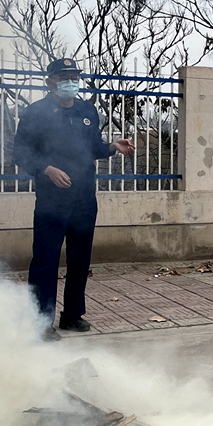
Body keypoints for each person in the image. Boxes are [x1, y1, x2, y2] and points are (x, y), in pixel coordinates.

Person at [13, 58, 135, 341]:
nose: (71, 82)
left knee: (80, 259)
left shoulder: (87, 110)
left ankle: (72, 315)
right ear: (50, 82)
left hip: (83, 197)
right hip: (52, 199)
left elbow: (92, 148)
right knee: (46, 260)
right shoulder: (36, 113)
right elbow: (20, 153)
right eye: (64, 77)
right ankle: (40, 321)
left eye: (74, 77)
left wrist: (112, 147)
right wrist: (47, 169)